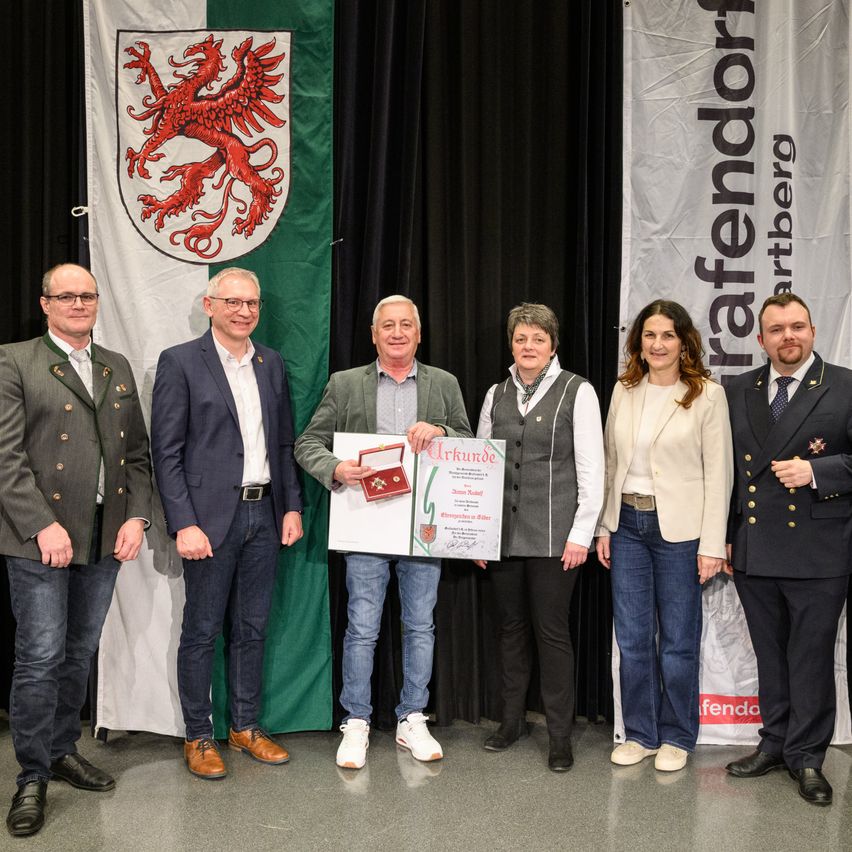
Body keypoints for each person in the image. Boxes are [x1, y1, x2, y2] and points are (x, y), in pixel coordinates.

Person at [1, 264, 153, 837]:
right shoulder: (15, 361)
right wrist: (42, 525)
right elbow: (6, 458)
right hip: (39, 538)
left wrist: (136, 516)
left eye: (87, 295)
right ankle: (31, 775)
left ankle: (61, 749)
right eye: (66, 296)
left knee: (78, 651)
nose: (79, 303)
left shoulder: (115, 365)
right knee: (40, 656)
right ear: (45, 304)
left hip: (103, 534)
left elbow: (137, 456)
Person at [295, 295, 472, 770]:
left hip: (424, 528)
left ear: (419, 333)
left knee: (420, 625)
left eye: (406, 325)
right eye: (387, 326)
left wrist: (442, 432)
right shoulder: (345, 384)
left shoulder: (444, 384)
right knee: (362, 628)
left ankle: (411, 717)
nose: (397, 333)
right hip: (365, 526)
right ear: (374, 335)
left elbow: (469, 442)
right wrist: (336, 468)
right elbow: (307, 442)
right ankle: (356, 721)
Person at [151, 267, 303, 780]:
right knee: (201, 631)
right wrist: (183, 523)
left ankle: (244, 727)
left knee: (252, 628)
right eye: (233, 302)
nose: (244, 311)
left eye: (252, 303)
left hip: (265, 512)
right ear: (209, 305)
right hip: (209, 520)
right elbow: (166, 452)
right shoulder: (179, 362)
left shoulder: (271, 362)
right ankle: (198, 734)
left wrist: (291, 506)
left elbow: (284, 440)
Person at [724, 293, 852, 806]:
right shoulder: (738, 389)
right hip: (755, 546)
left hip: (820, 550)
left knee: (811, 658)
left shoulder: (844, 385)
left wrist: (816, 471)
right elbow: (726, 470)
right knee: (770, 655)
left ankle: (807, 757)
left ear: (813, 331)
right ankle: (774, 743)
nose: (788, 337)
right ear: (761, 339)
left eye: (797, 326)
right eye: (776, 330)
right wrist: (725, 534)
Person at [595, 299, 732, 772]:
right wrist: (605, 526)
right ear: (638, 343)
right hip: (627, 528)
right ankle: (641, 733)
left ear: (684, 342)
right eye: (649, 335)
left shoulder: (707, 396)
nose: (658, 344)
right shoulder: (624, 389)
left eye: (667, 335)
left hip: (680, 533)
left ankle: (677, 735)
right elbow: (610, 464)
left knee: (677, 641)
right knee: (633, 639)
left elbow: (719, 475)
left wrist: (712, 544)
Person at [474, 303, 604, 771]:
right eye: (521, 338)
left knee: (552, 634)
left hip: (556, 539)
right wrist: (478, 535)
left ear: (553, 345)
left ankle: (559, 736)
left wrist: (581, 535)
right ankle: (511, 722)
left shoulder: (578, 390)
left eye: (538, 339)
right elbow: (481, 465)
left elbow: (592, 469)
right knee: (510, 631)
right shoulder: (496, 393)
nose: (528, 347)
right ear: (511, 344)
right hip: (504, 538)